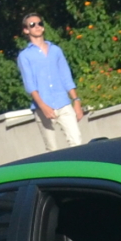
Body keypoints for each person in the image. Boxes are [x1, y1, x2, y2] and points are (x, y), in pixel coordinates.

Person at [18, 13, 85, 146]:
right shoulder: (24, 56)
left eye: (40, 23)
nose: (37, 27)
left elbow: (66, 76)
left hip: (63, 103)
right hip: (43, 106)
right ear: (26, 30)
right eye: (32, 25)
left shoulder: (56, 50)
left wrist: (76, 101)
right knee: (52, 148)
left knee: (77, 142)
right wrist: (43, 106)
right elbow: (30, 85)